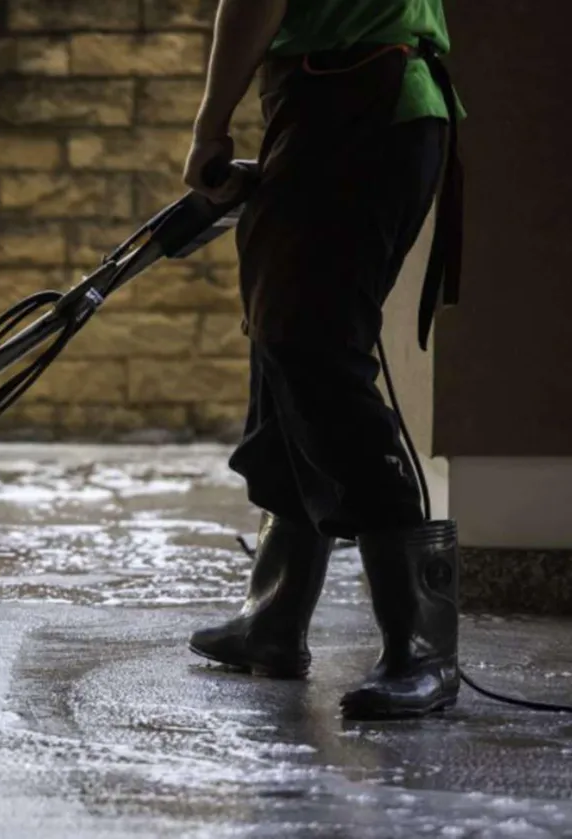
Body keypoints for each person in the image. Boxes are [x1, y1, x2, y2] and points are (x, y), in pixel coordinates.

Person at [181, 0, 465, 720]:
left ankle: (422, 646)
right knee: (284, 343)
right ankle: (274, 615)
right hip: (346, 103)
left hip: (361, 103)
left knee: (310, 347)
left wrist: (211, 122)